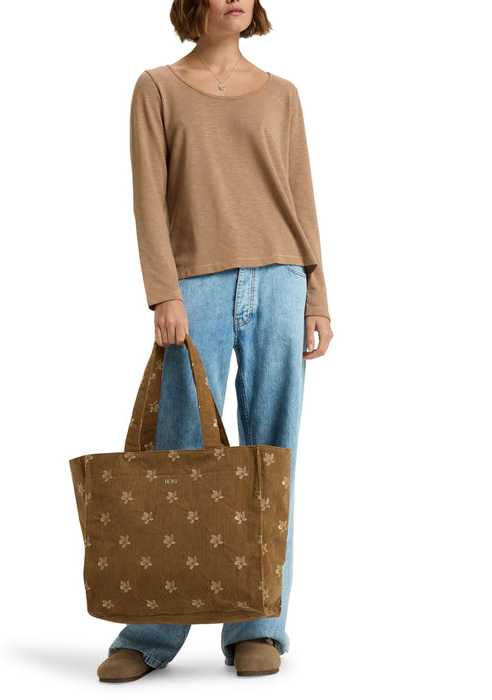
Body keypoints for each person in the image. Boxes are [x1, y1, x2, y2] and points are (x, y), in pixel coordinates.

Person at [98, 0, 333, 682]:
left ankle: (259, 626)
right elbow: (148, 195)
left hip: (281, 280)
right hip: (194, 284)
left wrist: (316, 294)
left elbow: (301, 197)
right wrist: (163, 292)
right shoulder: (156, 87)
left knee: (272, 455)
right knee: (178, 451)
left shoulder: (283, 95)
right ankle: (151, 631)